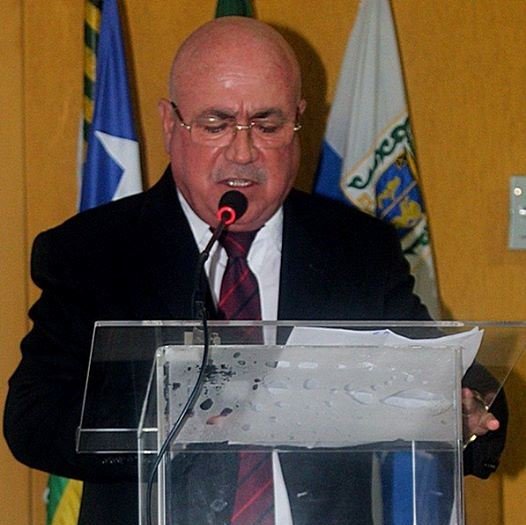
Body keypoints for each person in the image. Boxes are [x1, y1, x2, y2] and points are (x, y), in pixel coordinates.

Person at [4, 16, 506, 525]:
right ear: (170, 124)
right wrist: (174, 421)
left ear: (299, 120)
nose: (243, 152)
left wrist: (467, 408)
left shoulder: (356, 249)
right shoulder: (93, 251)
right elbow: (34, 419)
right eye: (216, 125)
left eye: (267, 126)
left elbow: (443, 369)